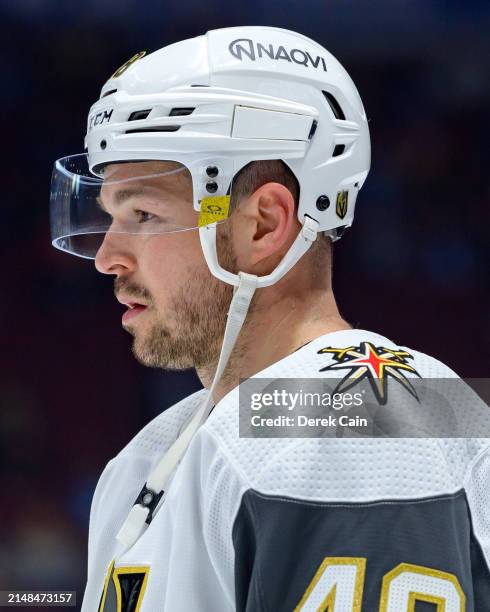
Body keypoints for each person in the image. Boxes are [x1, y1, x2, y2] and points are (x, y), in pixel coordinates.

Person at [49, 26, 489, 612]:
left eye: (145, 214)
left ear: (263, 225)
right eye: (109, 216)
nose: (108, 257)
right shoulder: (150, 456)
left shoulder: (356, 415)